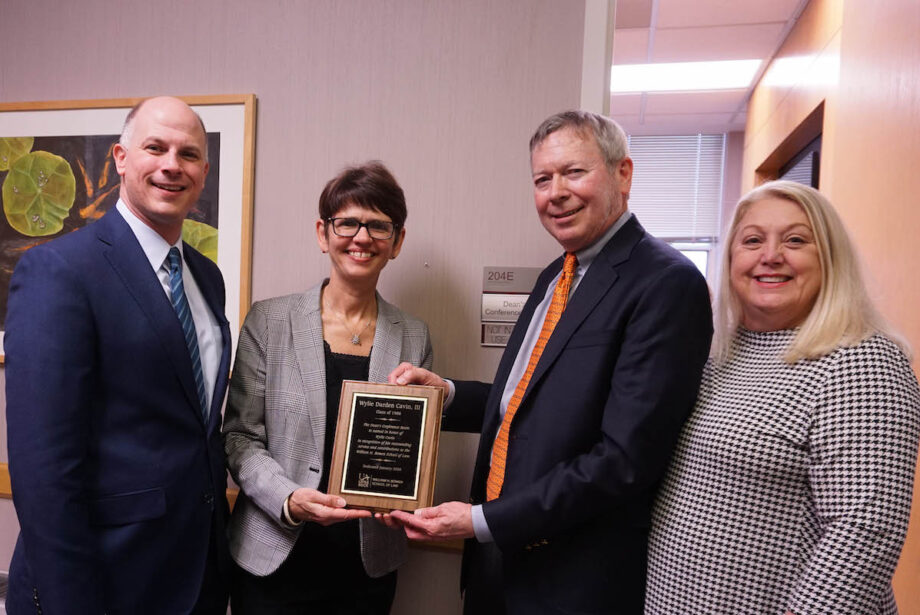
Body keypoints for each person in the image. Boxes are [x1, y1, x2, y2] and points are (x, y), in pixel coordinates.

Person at [385, 110, 713, 614]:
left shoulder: (666, 283)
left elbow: (625, 461)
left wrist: (479, 521)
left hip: (569, 582)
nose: (555, 192)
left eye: (574, 172)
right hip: (497, 564)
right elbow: (527, 402)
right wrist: (446, 393)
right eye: (542, 179)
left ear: (623, 174)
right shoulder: (554, 278)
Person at [645, 180, 920, 614]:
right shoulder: (720, 352)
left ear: (829, 258)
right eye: (752, 240)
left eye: (795, 240)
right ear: (732, 257)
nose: (770, 256)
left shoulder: (860, 359)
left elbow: (866, 530)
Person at [5, 96, 232, 613]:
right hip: (101, 579)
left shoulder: (206, 277)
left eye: (189, 154)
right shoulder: (60, 271)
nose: (172, 164)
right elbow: (44, 469)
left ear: (203, 171)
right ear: (121, 158)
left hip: (195, 575)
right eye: (156, 147)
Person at [223, 161, 431, 614]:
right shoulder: (269, 320)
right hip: (275, 557)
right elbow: (240, 437)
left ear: (396, 242)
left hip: (366, 566)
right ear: (323, 233)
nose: (362, 237)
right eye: (348, 223)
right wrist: (290, 499)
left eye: (379, 226)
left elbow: (411, 448)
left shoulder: (413, 335)